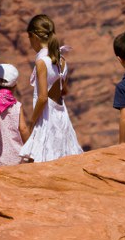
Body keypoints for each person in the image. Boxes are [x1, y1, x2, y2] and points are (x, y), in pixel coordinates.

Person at [17, 14, 83, 162]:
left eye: (29, 38)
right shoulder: (62, 59)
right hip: (61, 116)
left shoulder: (42, 61)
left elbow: (42, 97)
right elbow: (63, 90)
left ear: (34, 36)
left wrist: (32, 121)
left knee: (43, 160)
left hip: (46, 118)